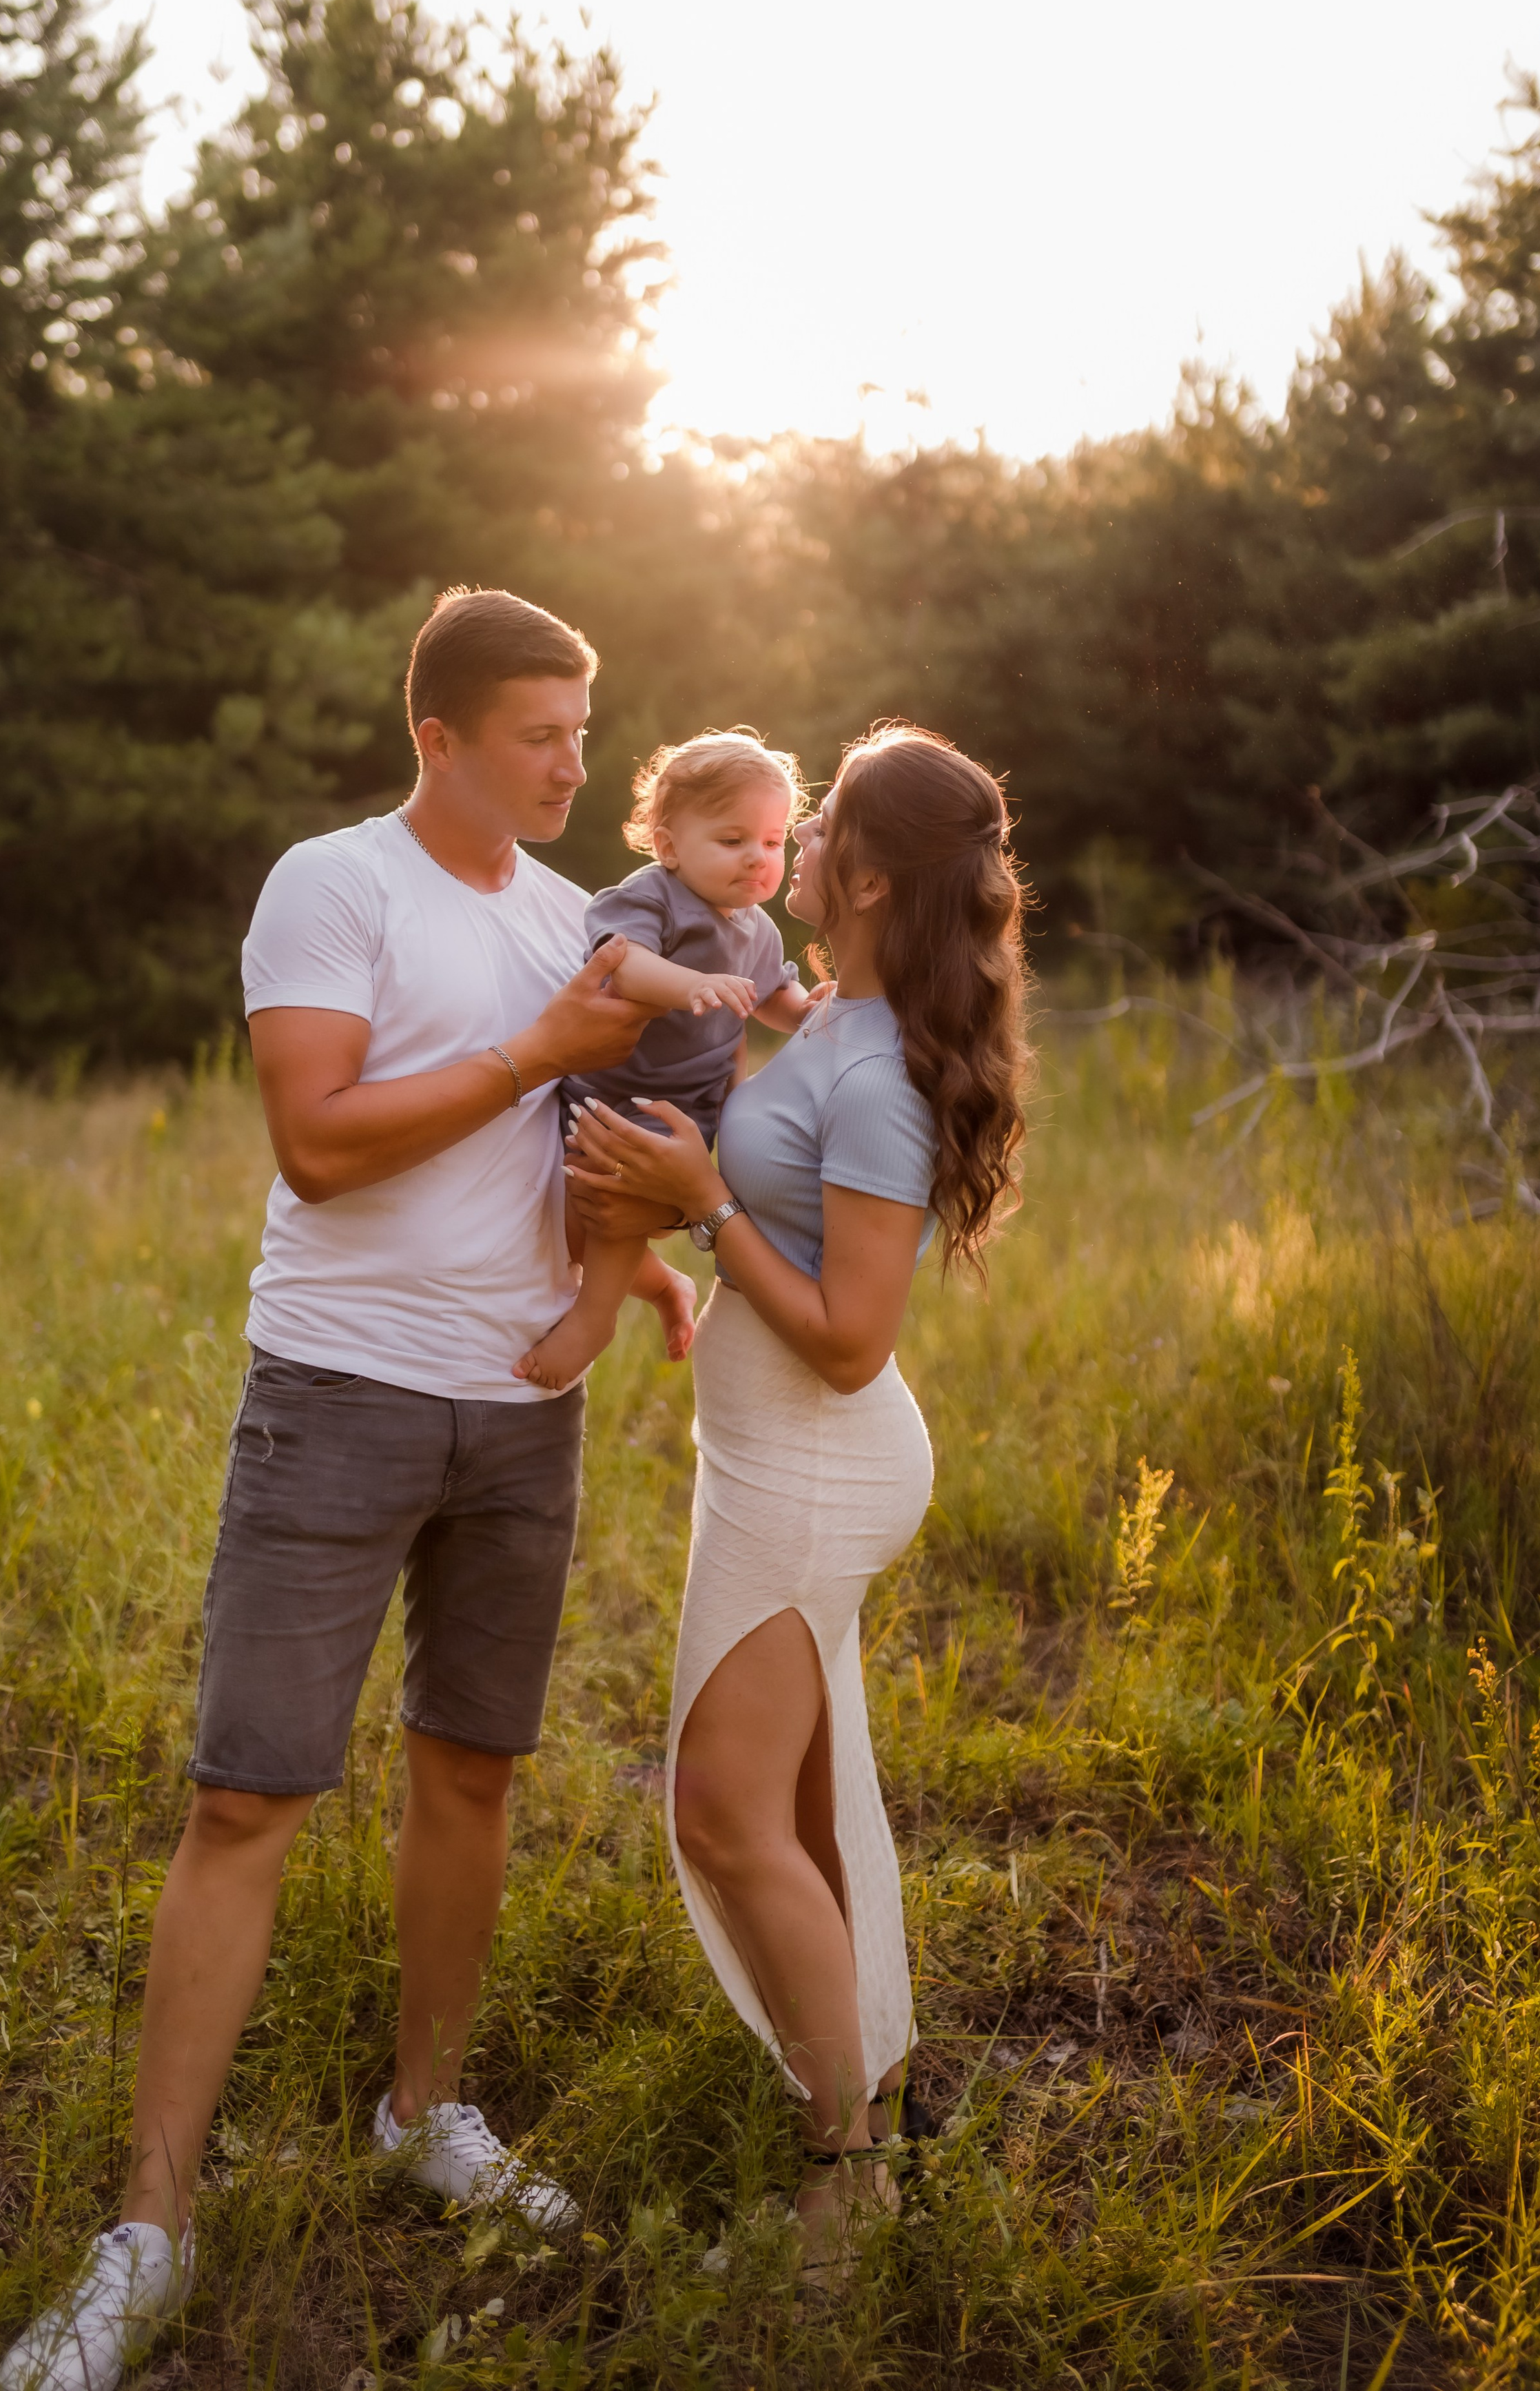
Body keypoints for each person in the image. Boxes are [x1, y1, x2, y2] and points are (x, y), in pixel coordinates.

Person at [0, 588, 661, 2391]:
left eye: (583, 733)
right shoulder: (335, 885)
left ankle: (423, 2116)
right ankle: (149, 2229)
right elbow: (321, 1134)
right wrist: (539, 1058)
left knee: (472, 1771)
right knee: (249, 1802)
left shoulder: (577, 922)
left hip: (522, 1413)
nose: (572, 766)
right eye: (539, 734)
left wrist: (640, 1257)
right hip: (341, 1396)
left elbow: (593, 1147)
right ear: (434, 733)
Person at [565, 723, 1031, 2286]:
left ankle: (848, 2172)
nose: (793, 831)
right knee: (812, 1811)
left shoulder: (881, 1073)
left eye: (820, 816)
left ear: (872, 872)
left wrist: (698, 1207)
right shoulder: (825, 1009)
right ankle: (875, 2088)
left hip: (814, 1459)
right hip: (757, 1450)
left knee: (719, 1805)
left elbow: (848, 1339)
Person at [515, 728, 812, 1392]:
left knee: (612, 1199)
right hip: (612, 1086)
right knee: (564, 1230)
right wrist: (690, 985)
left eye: (772, 841)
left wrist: (807, 1012)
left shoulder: (756, 927)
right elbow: (624, 966)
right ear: (669, 845)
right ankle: (660, 1286)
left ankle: (593, 1320)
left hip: (671, 1109)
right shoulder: (650, 897)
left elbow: (772, 995)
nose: (757, 860)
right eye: (733, 841)